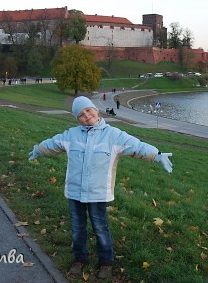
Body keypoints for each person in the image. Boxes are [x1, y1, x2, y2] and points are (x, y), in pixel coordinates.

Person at [28, 96, 173, 279]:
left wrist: (156, 155)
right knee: (77, 227)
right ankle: (80, 259)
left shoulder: (114, 135)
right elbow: (53, 144)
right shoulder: (71, 135)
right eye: (80, 114)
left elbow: (136, 146)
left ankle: (106, 262)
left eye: (88, 110)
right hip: (75, 192)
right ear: (77, 118)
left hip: (98, 193)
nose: (86, 116)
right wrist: (38, 149)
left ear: (95, 110)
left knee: (100, 228)